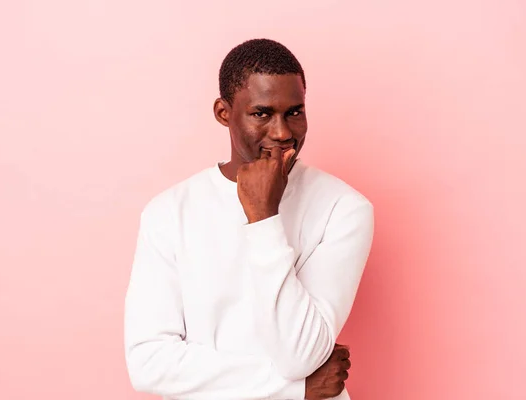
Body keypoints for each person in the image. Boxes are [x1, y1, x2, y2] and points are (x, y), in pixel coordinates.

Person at [124, 38, 374, 400]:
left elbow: (299, 354)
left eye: (295, 111)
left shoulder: (344, 208)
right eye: (262, 113)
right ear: (224, 113)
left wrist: (263, 217)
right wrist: (294, 389)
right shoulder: (167, 213)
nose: (282, 132)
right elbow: (148, 363)